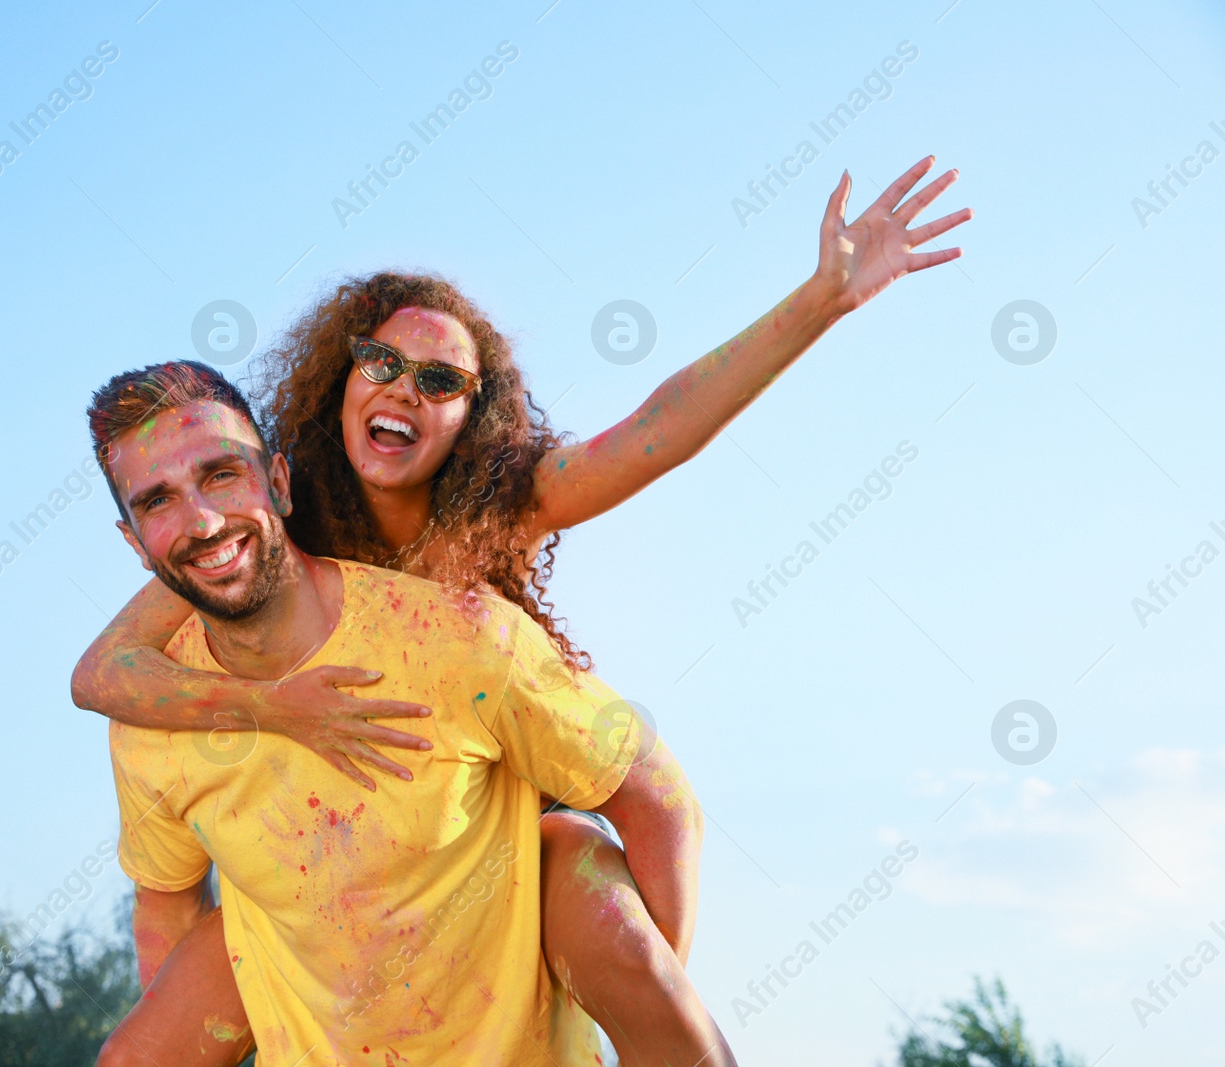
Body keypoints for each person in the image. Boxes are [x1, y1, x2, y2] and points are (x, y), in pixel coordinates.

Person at [75, 157, 971, 1060]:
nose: (401, 388)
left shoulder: (502, 507)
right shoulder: (260, 521)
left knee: (580, 877)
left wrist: (821, 300)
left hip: (494, 832)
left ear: (474, 414)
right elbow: (101, 674)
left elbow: (658, 432)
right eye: (380, 361)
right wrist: (277, 708)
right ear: (337, 379)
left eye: (440, 381)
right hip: (327, 881)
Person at [89, 365, 730, 1065]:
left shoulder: (456, 639)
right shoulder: (154, 714)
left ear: (277, 479)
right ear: (131, 541)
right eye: (158, 500)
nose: (203, 521)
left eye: (220, 474)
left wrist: (635, 998)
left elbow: (657, 796)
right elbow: (164, 902)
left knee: (580, 860)